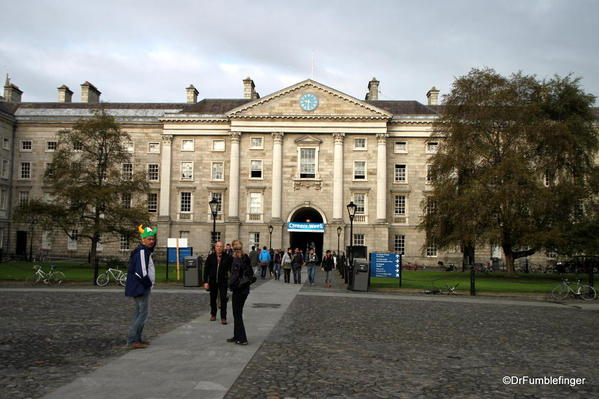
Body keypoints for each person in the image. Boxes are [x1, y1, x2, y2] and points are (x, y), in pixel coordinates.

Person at [124, 225, 157, 349]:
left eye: (153, 239)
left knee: (139, 313)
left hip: (140, 286)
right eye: (149, 239)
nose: (152, 241)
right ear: (143, 240)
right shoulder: (142, 251)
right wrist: (148, 284)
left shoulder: (144, 251)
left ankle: (137, 338)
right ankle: (133, 339)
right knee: (143, 313)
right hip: (141, 287)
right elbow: (141, 272)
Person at [227, 239, 252, 345]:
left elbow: (235, 275)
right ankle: (237, 335)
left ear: (233, 247)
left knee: (237, 314)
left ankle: (242, 338)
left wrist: (229, 284)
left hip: (239, 289)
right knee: (238, 313)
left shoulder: (236, 259)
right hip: (245, 288)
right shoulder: (246, 257)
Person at [203, 241, 233, 324]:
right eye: (217, 246)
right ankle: (213, 314)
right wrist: (206, 282)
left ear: (223, 248)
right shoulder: (210, 257)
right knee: (213, 299)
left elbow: (231, 270)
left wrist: (232, 280)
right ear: (215, 247)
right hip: (212, 282)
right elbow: (206, 270)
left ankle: (223, 317)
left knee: (223, 299)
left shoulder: (228, 257)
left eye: (221, 246)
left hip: (223, 281)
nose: (219, 248)